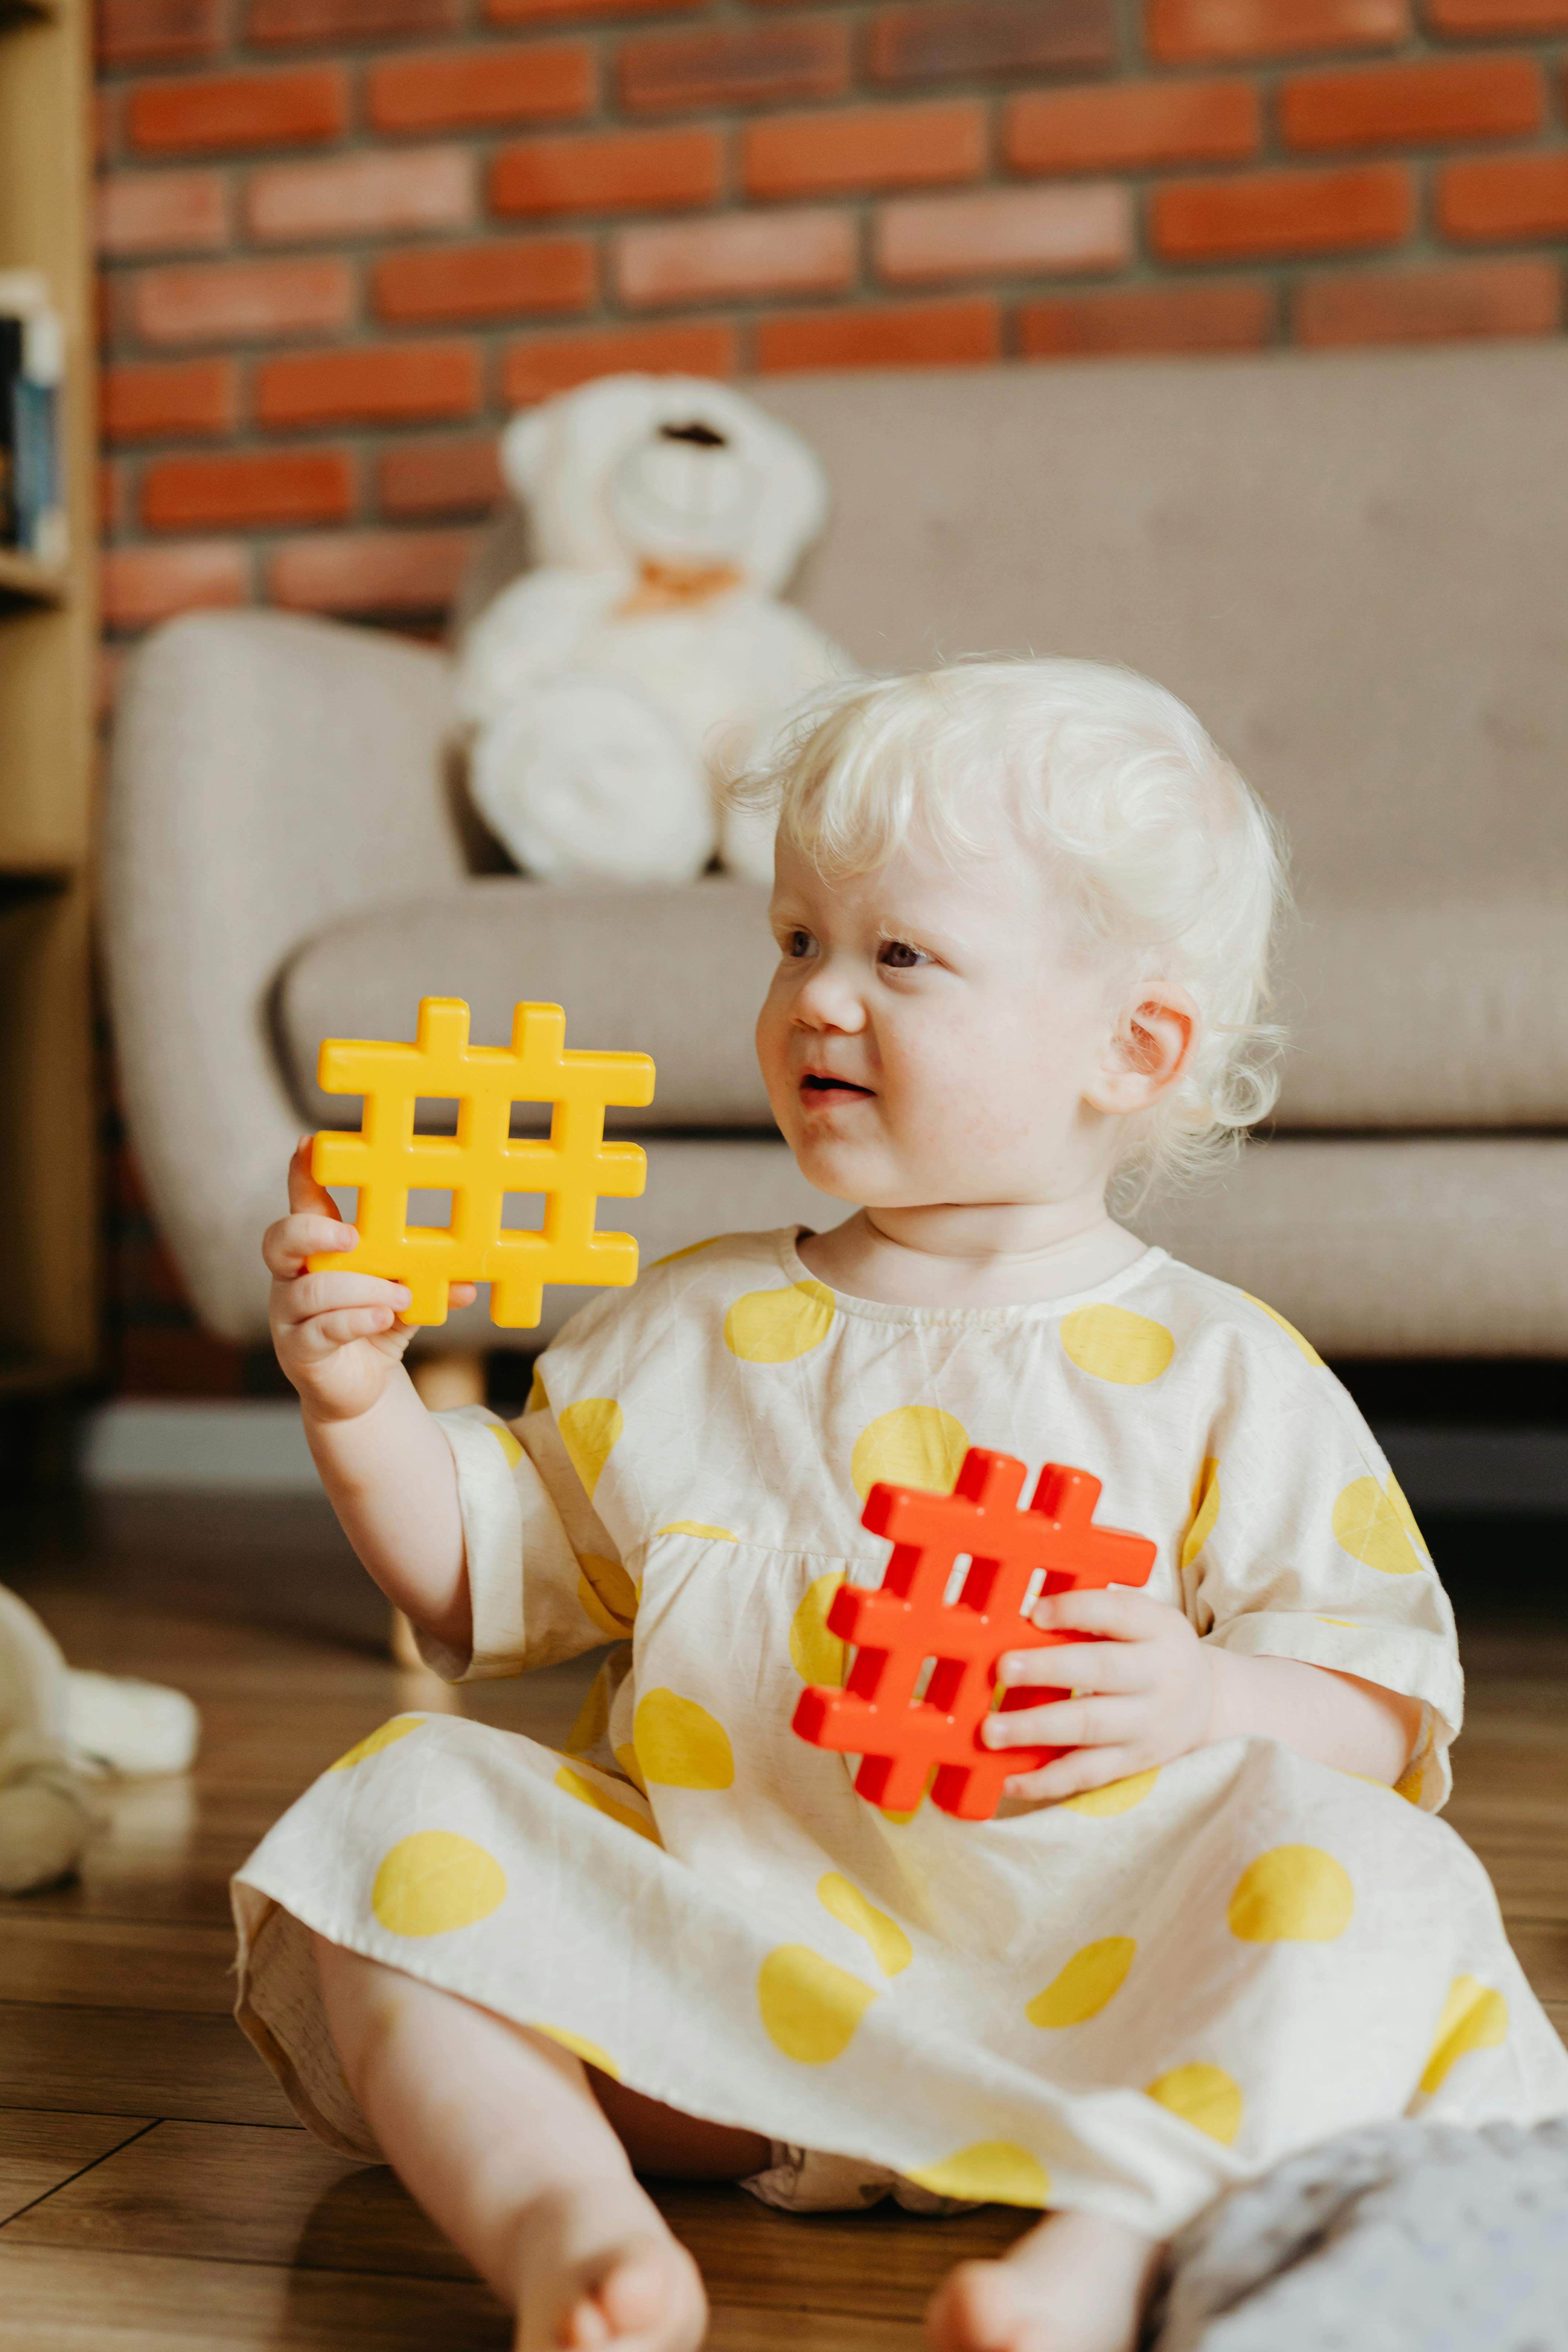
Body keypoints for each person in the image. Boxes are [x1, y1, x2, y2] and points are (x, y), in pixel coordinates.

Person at [234, 661, 1568, 2352]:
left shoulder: (1227, 1369)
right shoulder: (686, 1328)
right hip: (727, 2005)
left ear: (1132, 1042)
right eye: (796, 939)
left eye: (901, 955)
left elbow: (1381, 1700)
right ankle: (571, 2231)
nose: (817, 999)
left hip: (1116, 2018)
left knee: (1386, 1875)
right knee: (396, 1804)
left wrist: (1214, 1693)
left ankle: (1107, 2243)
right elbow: (486, 1569)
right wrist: (355, 1401)